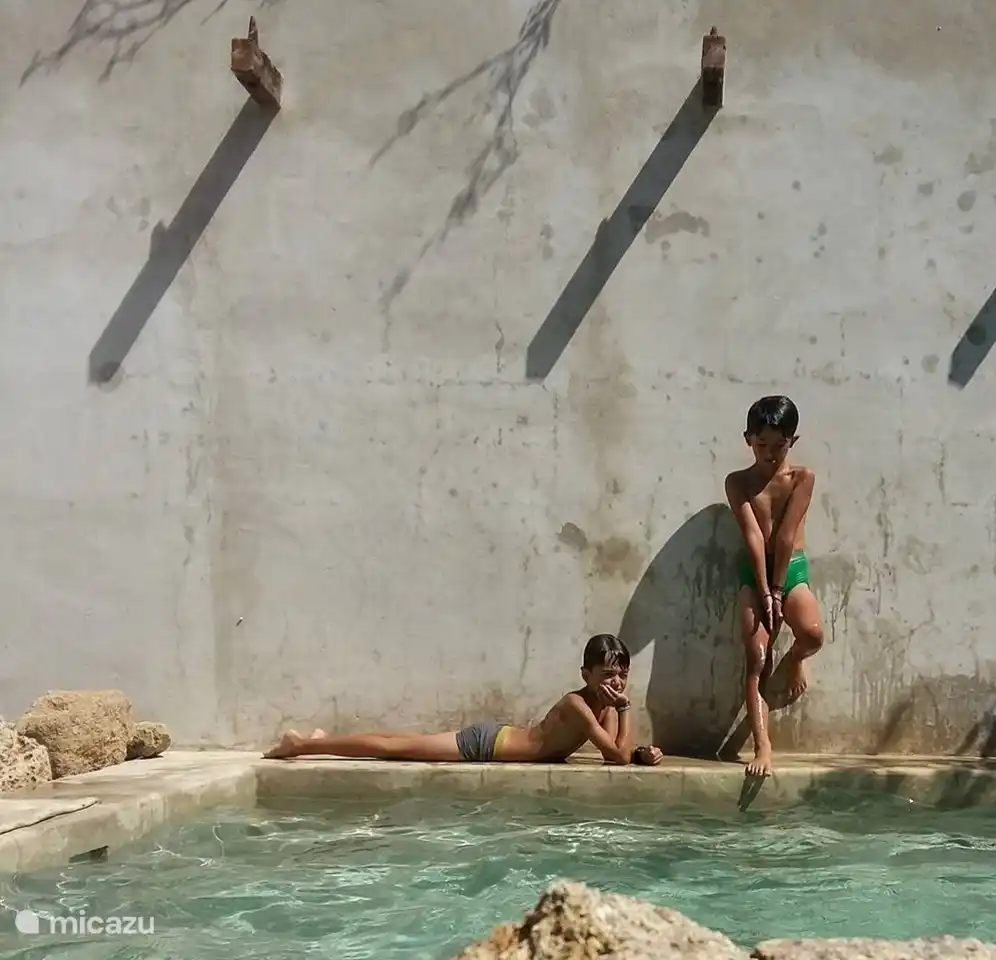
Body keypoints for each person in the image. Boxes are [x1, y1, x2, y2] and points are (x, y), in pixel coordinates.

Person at [262, 634, 664, 766]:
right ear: (586, 675)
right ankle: (302, 744)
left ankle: (319, 738)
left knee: (398, 742)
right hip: (487, 744)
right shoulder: (577, 704)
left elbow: (619, 751)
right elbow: (615, 755)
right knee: (395, 749)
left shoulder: (604, 706)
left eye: (622, 673)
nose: (617, 680)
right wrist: (625, 710)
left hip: (501, 742)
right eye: (608, 674)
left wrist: (641, 752)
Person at [725, 395, 825, 777]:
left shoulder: (802, 478)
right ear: (748, 439)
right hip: (755, 573)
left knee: (813, 635)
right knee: (757, 658)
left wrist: (780, 591)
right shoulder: (738, 482)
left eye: (778, 446)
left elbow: (785, 536)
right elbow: (753, 537)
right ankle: (762, 746)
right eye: (760, 444)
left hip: (791, 568)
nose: (768, 453)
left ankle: (795, 661)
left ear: (792, 442)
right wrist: (765, 591)